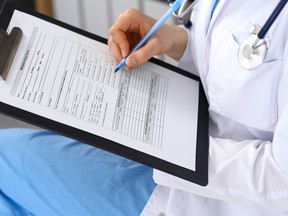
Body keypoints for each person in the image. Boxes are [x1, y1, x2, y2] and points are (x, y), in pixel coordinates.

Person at [0, 0, 288, 215]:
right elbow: (236, 62)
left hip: (209, 199)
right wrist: (176, 41)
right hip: (170, 153)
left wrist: (172, 148)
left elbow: (282, 183)